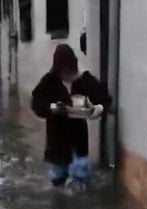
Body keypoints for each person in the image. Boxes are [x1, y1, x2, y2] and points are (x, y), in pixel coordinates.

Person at [30, 44, 112, 187]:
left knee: (81, 174)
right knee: (58, 176)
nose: (67, 74)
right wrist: (52, 108)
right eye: (63, 70)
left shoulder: (84, 80)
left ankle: (79, 198)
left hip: (78, 135)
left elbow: (104, 98)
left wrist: (96, 109)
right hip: (57, 136)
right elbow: (37, 102)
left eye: (69, 69)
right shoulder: (50, 81)